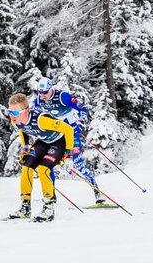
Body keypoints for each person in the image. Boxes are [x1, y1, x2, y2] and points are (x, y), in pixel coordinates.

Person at [31, 77, 108, 206]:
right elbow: (33, 115)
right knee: (47, 164)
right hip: (56, 135)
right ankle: (51, 195)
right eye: (40, 92)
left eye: (45, 92)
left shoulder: (63, 97)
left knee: (78, 165)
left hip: (72, 133)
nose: (42, 95)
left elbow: (82, 109)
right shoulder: (38, 100)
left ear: (51, 89)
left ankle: (97, 192)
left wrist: (80, 122)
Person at [7, 92, 76, 222]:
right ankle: (25, 207)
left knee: (43, 169)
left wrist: (68, 155)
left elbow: (68, 129)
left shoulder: (42, 120)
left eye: (15, 112)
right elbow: (23, 130)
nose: (11, 115)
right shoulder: (15, 120)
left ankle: (48, 208)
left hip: (58, 143)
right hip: (42, 143)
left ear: (26, 110)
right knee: (26, 167)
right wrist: (26, 148)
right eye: (9, 111)